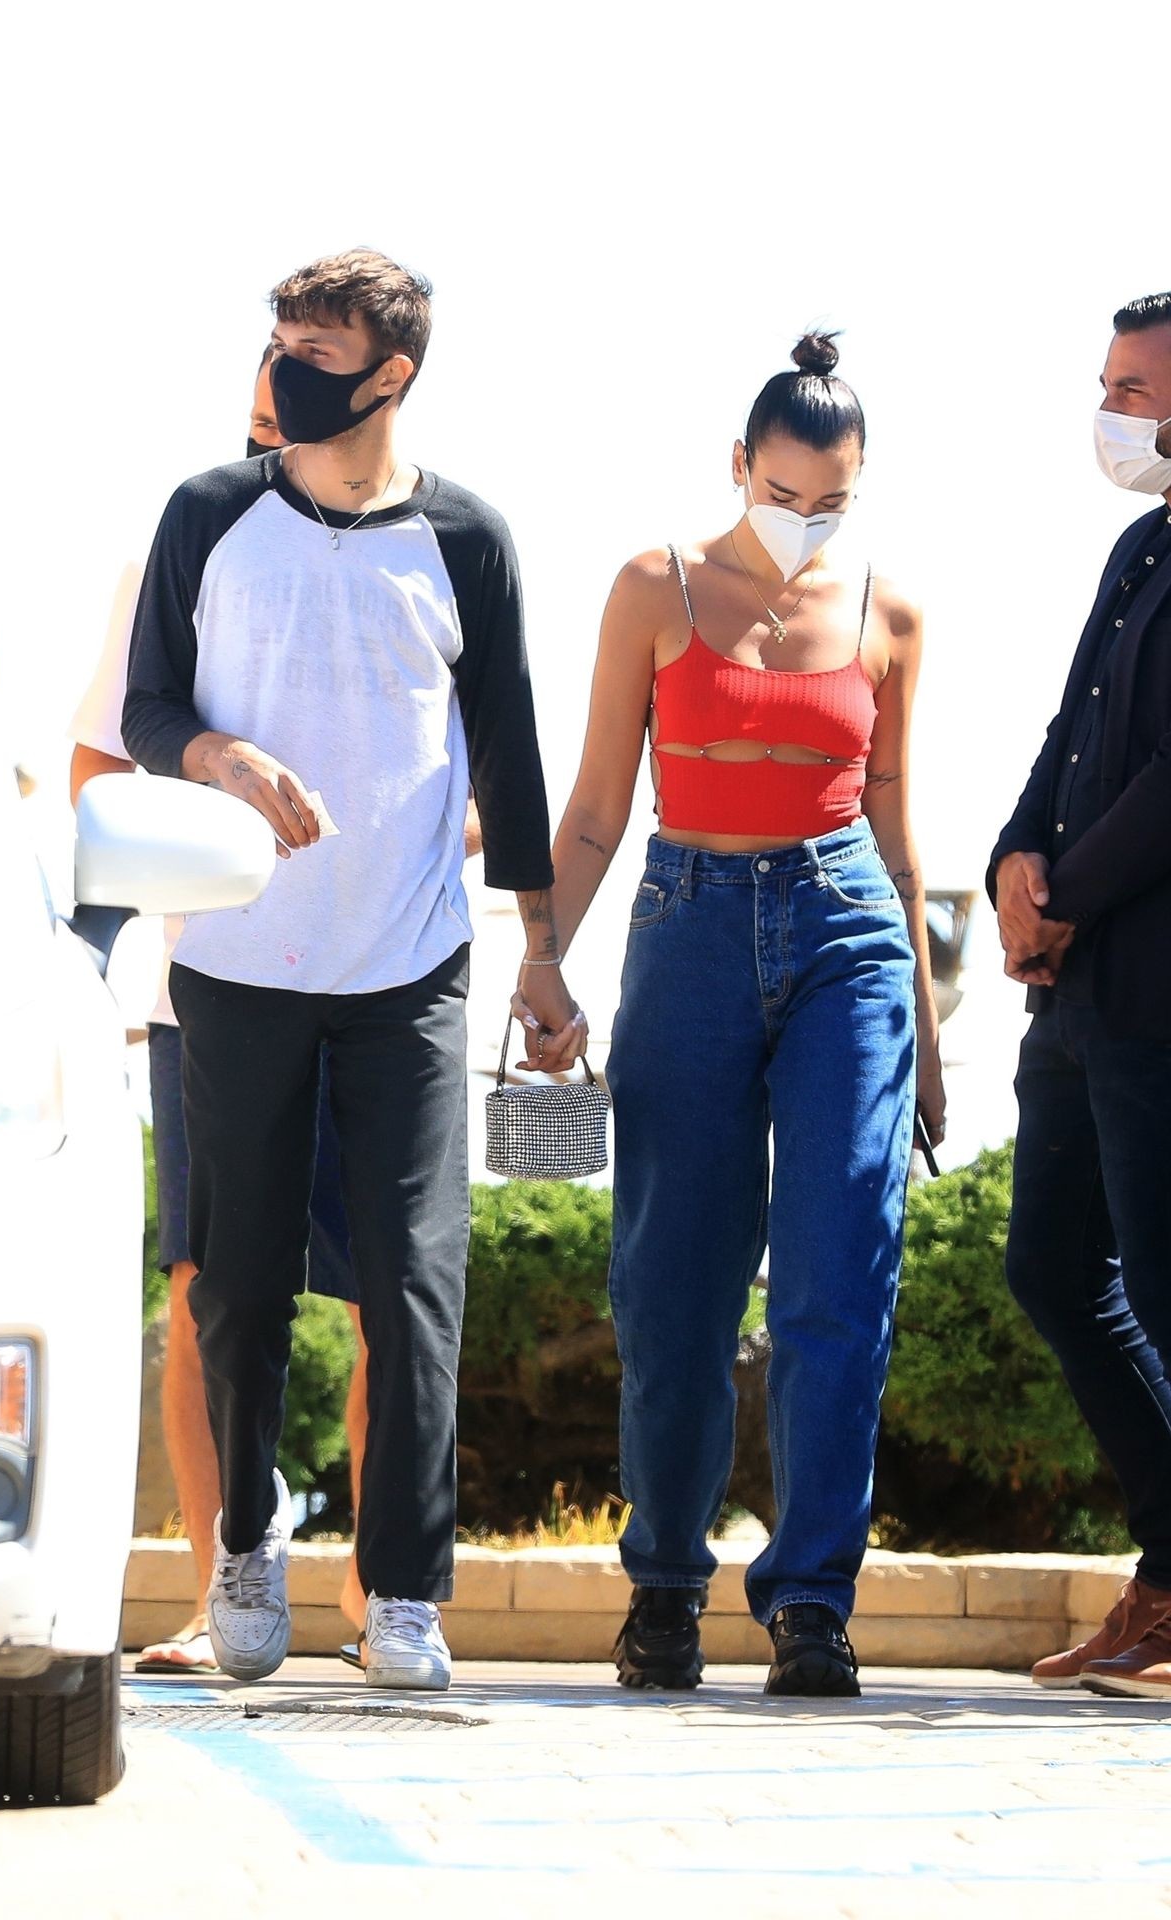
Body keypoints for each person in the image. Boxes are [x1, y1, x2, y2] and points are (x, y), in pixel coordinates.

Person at [121, 249, 584, 1692]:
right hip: (235, 960)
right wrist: (220, 756)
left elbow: (511, 757)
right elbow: (146, 708)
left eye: (314, 349)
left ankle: (403, 1595)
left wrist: (542, 955)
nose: (285, 368)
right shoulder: (208, 513)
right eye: (279, 342)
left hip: (411, 966)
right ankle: (244, 1550)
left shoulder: (469, 540)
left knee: (415, 1282)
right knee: (239, 1288)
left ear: (392, 374)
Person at [523, 332, 942, 1697]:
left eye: (832, 499)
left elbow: (896, 827)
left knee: (839, 1275)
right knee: (673, 1286)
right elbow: (597, 806)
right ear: (739, 466)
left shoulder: (890, 612)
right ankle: (662, 1588)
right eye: (783, 491)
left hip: (848, 935)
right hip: (687, 922)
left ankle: (812, 1603)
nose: (805, 517)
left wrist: (929, 1033)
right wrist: (541, 957)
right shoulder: (654, 587)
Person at [69, 348, 376, 1669]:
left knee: (389, 1298)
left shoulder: (421, 554)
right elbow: (97, 764)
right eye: (257, 424)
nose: (272, 448)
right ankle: (217, 1596)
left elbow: (479, 781)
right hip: (207, 988)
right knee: (204, 1292)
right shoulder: (177, 554)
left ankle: (381, 1600)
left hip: (375, 981)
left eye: (295, 423)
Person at [991, 291, 1171, 1701]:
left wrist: (1068, 896)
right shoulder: (1140, 545)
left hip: (1153, 978)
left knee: (1165, 1284)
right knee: (1054, 1267)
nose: (1109, 412)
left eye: (1134, 390)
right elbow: (1075, 732)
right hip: (1078, 989)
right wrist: (1013, 860)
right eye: (1107, 385)